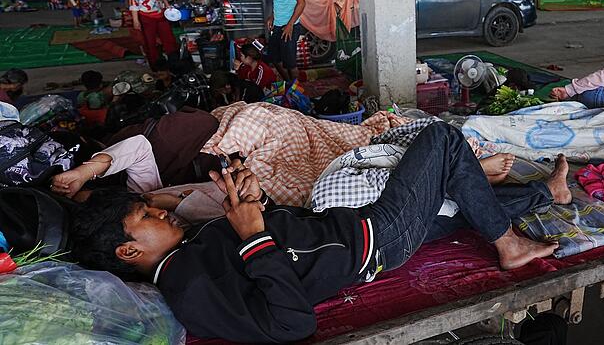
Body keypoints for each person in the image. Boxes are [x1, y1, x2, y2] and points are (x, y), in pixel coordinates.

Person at [70, 123, 560, 342]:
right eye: (147, 216)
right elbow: (291, 324)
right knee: (442, 140)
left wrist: (255, 202)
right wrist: (254, 233)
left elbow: (289, 244)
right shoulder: (189, 289)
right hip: (372, 237)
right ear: (129, 249)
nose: (163, 213)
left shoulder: (192, 247)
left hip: (358, 234)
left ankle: (546, 195)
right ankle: (510, 245)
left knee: (453, 209)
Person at [262, 0, 306, 82]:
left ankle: (295, 90)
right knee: (274, 58)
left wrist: (290, 25)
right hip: (278, 24)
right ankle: (288, 84)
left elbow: (301, 3)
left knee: (290, 63)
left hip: (290, 26)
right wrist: (272, 16)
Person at [129, 0, 176, 70]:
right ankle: (156, 67)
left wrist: (167, 5)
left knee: (169, 39)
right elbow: (133, 0)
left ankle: (174, 64)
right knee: (150, 43)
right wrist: (136, 20)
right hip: (146, 16)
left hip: (160, 13)